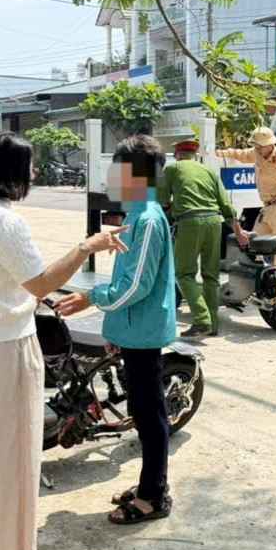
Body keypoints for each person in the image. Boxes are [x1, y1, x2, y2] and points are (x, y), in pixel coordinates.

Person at [0, 132, 128, 550]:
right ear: (11, 173)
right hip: (4, 345)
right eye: (29, 167)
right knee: (7, 453)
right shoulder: (5, 222)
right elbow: (41, 283)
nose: (33, 174)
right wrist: (87, 248)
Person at [58, 135, 177, 525]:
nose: (110, 180)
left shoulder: (146, 218)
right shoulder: (137, 215)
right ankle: (149, 484)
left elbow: (136, 285)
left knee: (149, 414)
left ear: (136, 177)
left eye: (117, 172)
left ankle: (153, 495)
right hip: (133, 328)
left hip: (142, 330)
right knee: (143, 411)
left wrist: (92, 298)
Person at [159, 139, 248, 337]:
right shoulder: (209, 171)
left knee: (184, 274)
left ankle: (201, 319)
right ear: (195, 154)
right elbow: (226, 204)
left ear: (177, 154)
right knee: (211, 275)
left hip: (190, 223)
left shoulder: (172, 169)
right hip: (215, 223)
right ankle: (213, 326)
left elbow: (162, 201)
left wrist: (172, 208)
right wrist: (239, 232)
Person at [216, 125, 276, 273]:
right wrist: (219, 153)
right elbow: (241, 154)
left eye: (260, 146)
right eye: (255, 146)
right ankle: (258, 276)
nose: (257, 149)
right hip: (267, 208)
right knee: (254, 243)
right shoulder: (257, 153)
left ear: (270, 144)